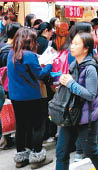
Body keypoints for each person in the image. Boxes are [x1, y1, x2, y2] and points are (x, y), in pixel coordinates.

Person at [56, 33, 98, 170]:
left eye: (76, 44)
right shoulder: (74, 65)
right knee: (61, 152)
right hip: (71, 114)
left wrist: (71, 83)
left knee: (91, 151)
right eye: (72, 43)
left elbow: (90, 94)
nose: (72, 46)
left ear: (86, 48)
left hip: (87, 116)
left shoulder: (90, 68)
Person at [8, 27, 53, 168]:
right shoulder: (29, 56)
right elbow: (40, 74)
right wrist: (50, 65)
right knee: (37, 126)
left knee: (21, 126)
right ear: (29, 41)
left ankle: (21, 157)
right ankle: (37, 156)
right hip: (32, 96)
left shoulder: (12, 53)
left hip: (16, 96)